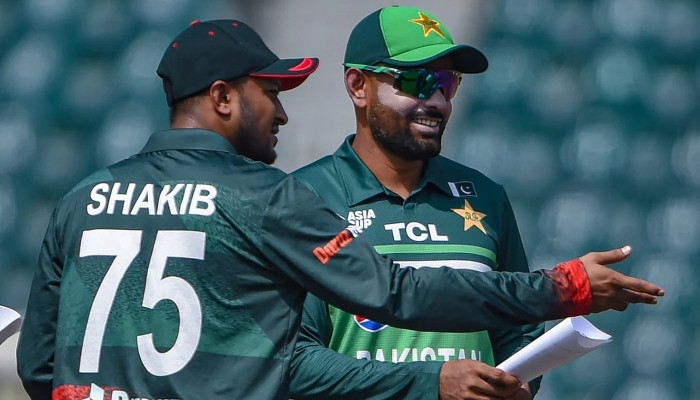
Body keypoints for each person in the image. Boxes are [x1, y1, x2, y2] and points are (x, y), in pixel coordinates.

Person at [16, 18, 663, 400]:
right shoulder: (264, 197)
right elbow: (393, 294)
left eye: (448, 84)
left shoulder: (84, 197)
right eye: (270, 91)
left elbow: (41, 364)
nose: (282, 112)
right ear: (221, 98)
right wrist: (564, 286)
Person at [288, 6, 652, 400]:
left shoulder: (485, 195)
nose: (438, 101)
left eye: (448, 83)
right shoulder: (303, 197)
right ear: (358, 85)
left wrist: (520, 385)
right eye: (418, 81)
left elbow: (518, 330)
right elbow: (295, 361)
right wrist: (432, 384)